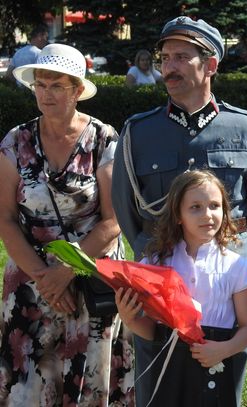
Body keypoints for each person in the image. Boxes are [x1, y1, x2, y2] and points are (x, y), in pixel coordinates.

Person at [111, 15, 247, 404]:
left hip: (224, 291)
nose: (168, 66)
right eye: (165, 57)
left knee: (222, 384)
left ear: (210, 65)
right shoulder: (139, 132)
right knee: (157, 384)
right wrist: (154, 259)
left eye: (181, 57)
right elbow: (126, 207)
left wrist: (233, 257)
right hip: (161, 285)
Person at [0, 43, 134, 405]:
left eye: (57, 85)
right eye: (40, 85)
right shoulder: (15, 141)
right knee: (27, 383)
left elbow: (114, 219)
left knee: (87, 386)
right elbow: (6, 219)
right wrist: (46, 278)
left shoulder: (104, 139)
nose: (46, 93)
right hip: (31, 281)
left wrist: (67, 271)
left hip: (90, 276)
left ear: (78, 90)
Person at [116, 170, 247, 406]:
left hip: (214, 368)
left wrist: (223, 350)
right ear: (178, 215)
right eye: (195, 207)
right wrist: (129, 319)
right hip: (169, 371)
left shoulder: (237, 267)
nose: (207, 215)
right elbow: (152, 331)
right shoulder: (157, 264)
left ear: (225, 211)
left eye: (215, 205)